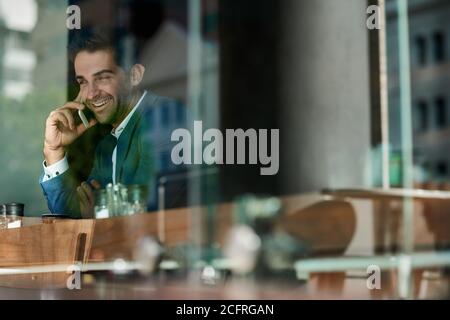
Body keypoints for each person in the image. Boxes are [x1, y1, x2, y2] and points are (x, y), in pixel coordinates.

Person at [39, 29, 186, 218]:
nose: (91, 94)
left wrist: (99, 218)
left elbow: (150, 214)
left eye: (102, 78)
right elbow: (74, 216)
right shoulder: (107, 146)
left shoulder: (163, 118)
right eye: (83, 82)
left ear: (135, 75)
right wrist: (53, 151)